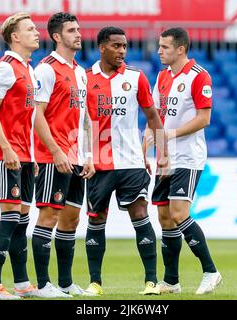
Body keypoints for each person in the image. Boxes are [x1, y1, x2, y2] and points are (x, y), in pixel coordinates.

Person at [84, 26, 168, 296]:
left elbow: (153, 117)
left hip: (132, 162)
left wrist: (161, 153)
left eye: (124, 46)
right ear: (102, 47)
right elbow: (80, 122)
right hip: (99, 164)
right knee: (97, 220)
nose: (122, 51)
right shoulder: (85, 79)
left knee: (141, 215)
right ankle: (95, 282)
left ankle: (151, 281)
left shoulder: (136, 77)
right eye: (116, 46)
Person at [148, 27, 222, 295]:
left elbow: (205, 118)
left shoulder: (198, 76)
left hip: (188, 157)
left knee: (179, 213)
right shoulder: (162, 77)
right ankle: (171, 281)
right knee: (165, 217)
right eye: (159, 46)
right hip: (165, 158)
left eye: (165, 47)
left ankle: (211, 271)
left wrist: (170, 134)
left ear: (180, 49)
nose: (159, 51)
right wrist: (148, 141)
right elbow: (155, 114)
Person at [32, 12, 94, 297]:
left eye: (79, 29)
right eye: (71, 30)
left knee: (71, 219)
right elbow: (37, 115)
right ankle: (44, 284)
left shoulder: (80, 72)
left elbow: (85, 118)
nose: (78, 34)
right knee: (48, 217)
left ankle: (66, 283)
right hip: (52, 157)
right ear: (57, 36)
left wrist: (89, 155)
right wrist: (56, 151)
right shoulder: (46, 69)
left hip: (77, 158)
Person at [0, 12, 39, 300]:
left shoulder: (27, 68)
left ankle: (22, 283)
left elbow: (26, 117)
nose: (37, 32)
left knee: (22, 219)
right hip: (8, 154)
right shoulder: (5, 68)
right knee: (10, 217)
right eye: (30, 29)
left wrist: (32, 154)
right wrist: (6, 148)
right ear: (15, 37)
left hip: (25, 155)